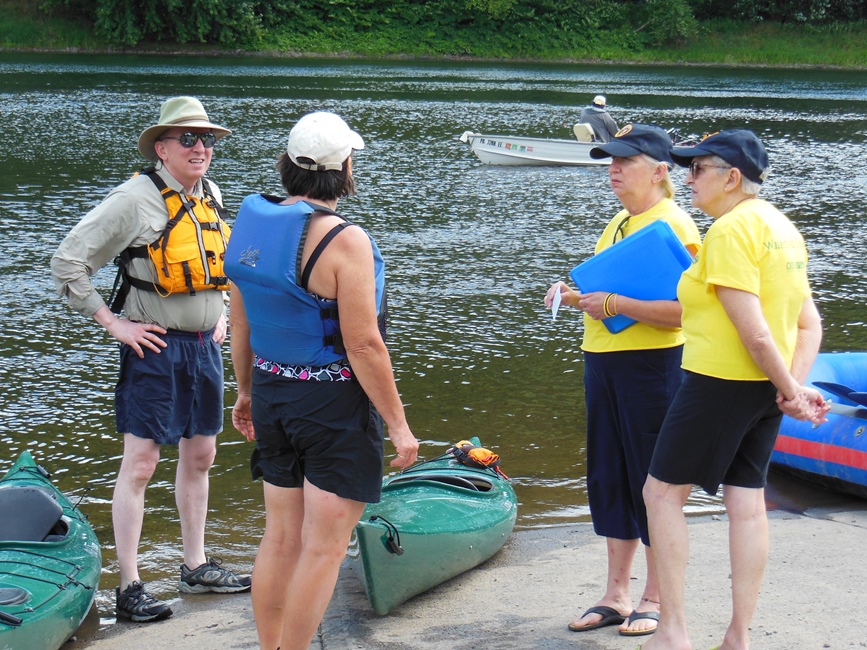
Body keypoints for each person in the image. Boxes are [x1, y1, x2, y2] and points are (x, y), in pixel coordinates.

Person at [51, 96, 251, 623]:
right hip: (156, 347)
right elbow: (68, 260)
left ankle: (195, 565)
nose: (201, 148)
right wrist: (113, 323)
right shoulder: (134, 199)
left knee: (202, 456)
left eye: (207, 139)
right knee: (140, 464)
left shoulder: (210, 193)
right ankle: (130, 585)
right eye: (188, 139)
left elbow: (216, 264)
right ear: (161, 147)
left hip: (205, 346)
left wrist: (222, 310)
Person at [225, 111, 419, 650]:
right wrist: (398, 426)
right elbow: (363, 345)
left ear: (286, 164)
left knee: (281, 537)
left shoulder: (251, 225)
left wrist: (243, 392)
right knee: (323, 548)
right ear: (346, 169)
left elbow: (240, 321)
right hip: (330, 402)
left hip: (270, 391)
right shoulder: (345, 241)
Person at [641, 130, 829, 650]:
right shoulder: (782, 227)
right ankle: (737, 637)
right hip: (762, 390)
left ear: (731, 177)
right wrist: (791, 387)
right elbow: (808, 324)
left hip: (718, 382)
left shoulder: (730, 230)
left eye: (698, 168)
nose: (688, 178)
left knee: (660, 494)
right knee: (745, 503)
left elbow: (755, 330)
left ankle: (673, 632)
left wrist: (789, 387)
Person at [544, 124, 701, 638]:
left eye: (625, 160)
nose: (612, 168)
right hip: (604, 362)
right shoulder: (619, 220)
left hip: (652, 368)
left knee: (650, 482)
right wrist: (574, 296)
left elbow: (684, 312)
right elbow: (608, 294)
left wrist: (613, 304)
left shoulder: (675, 226)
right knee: (609, 475)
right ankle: (616, 593)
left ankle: (654, 596)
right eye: (609, 159)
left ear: (659, 171)